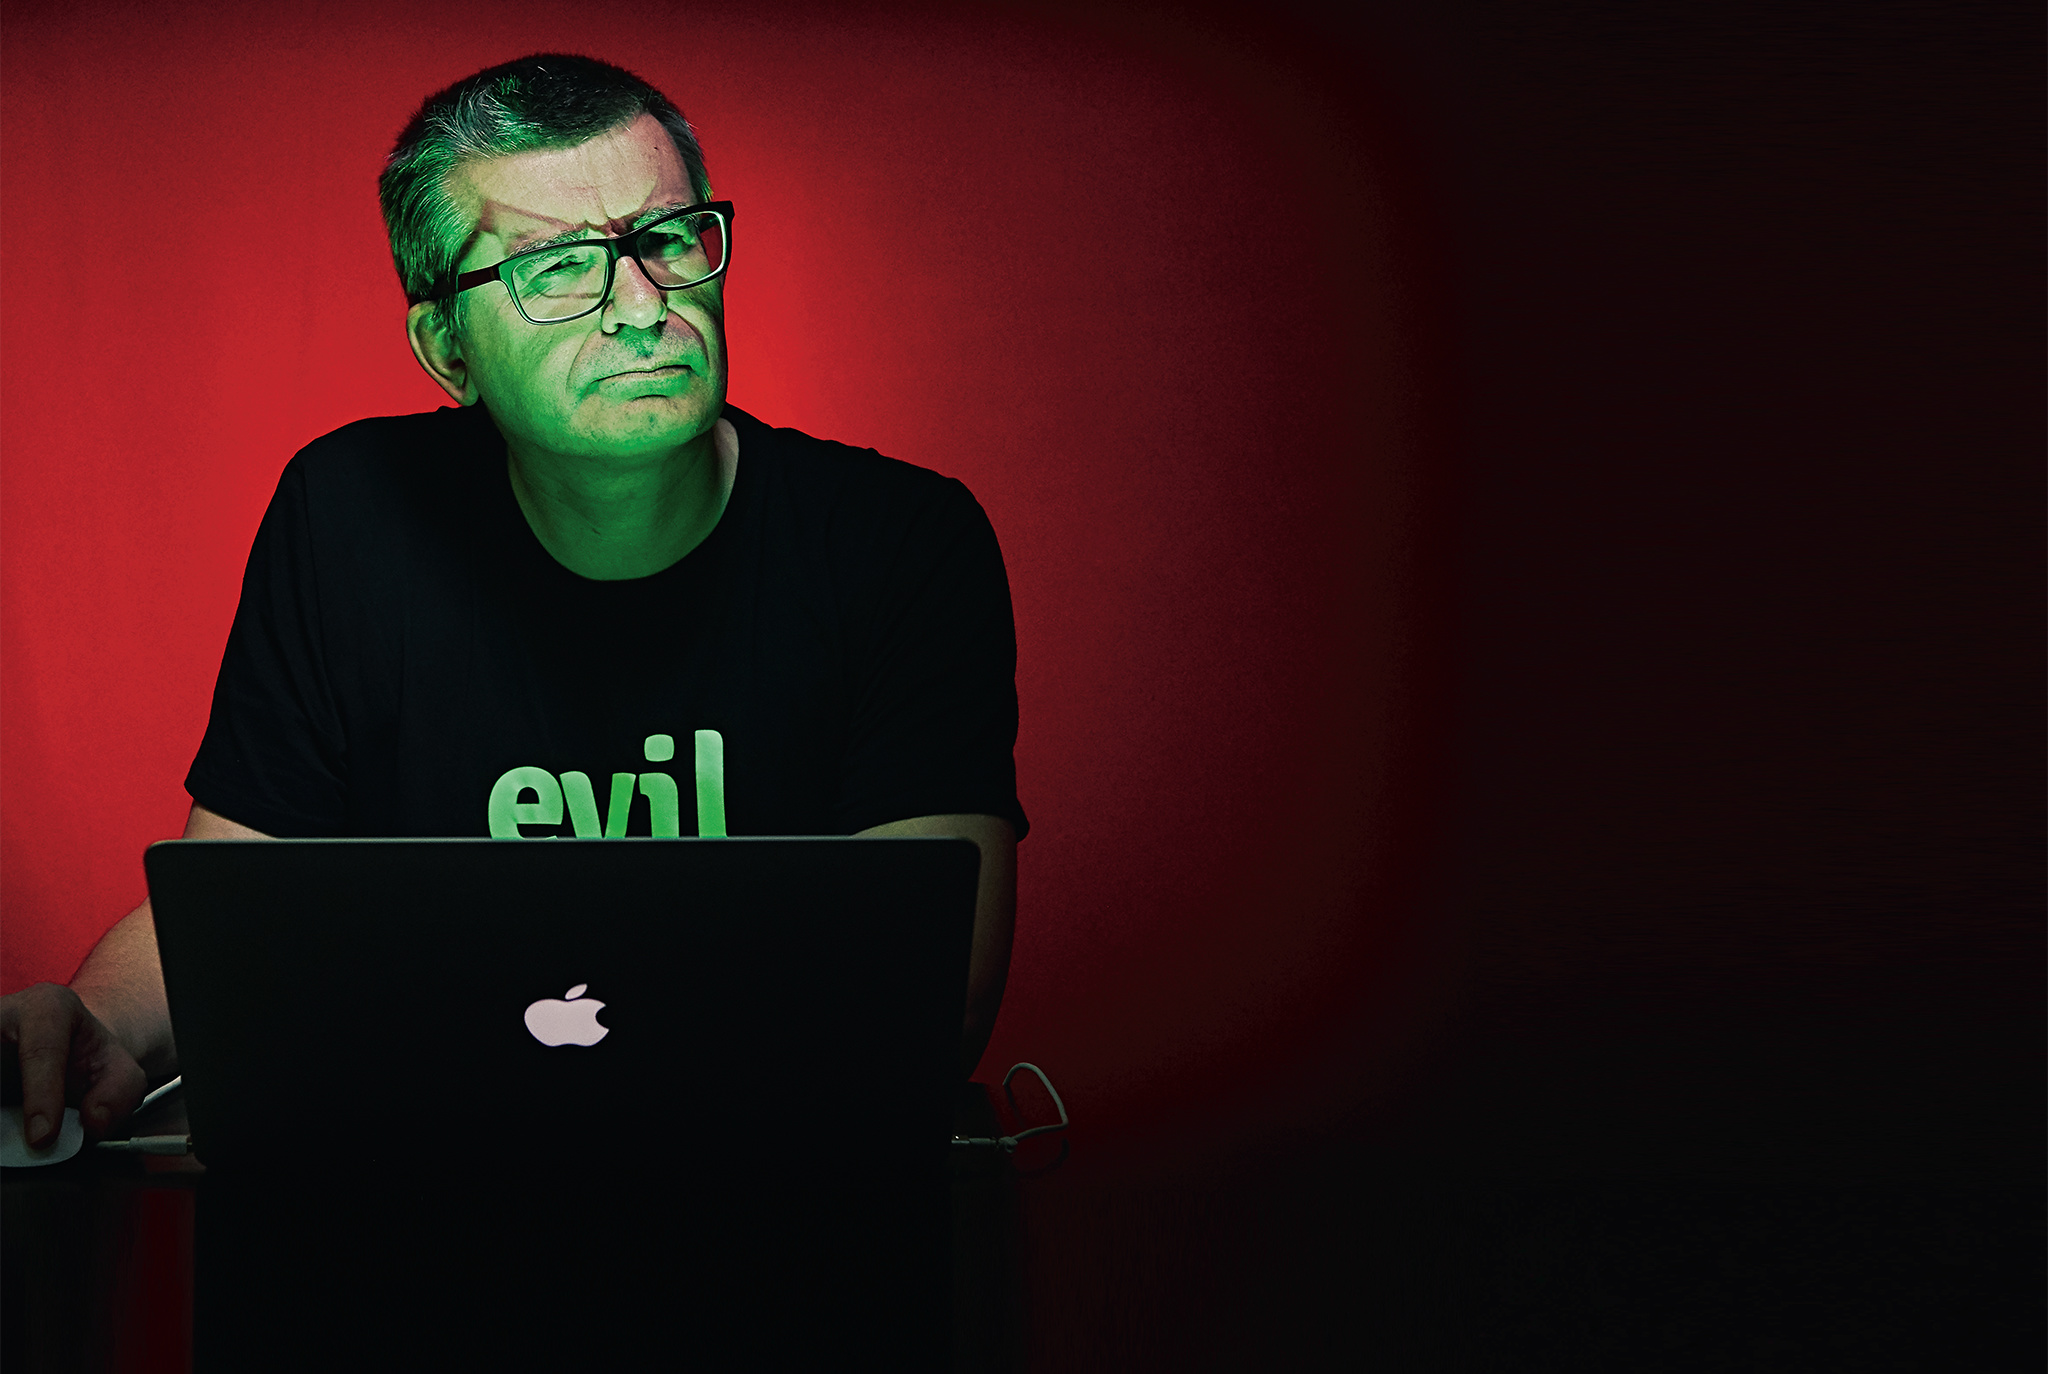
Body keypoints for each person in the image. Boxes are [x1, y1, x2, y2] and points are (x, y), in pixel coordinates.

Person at [1, 53, 1025, 1153]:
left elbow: (936, 996)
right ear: (448, 349)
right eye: (557, 266)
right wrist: (96, 1020)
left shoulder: (899, 541)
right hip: (416, 1195)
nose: (642, 307)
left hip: (788, 1187)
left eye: (667, 238)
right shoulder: (348, 517)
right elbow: (232, 902)